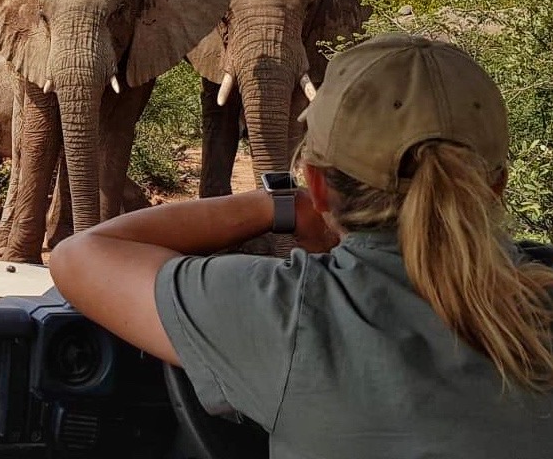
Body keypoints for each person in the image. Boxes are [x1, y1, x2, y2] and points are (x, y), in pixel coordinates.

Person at [50, 32, 553, 458]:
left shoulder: (289, 309)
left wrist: (276, 206)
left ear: (315, 183)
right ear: (497, 186)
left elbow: (79, 255)